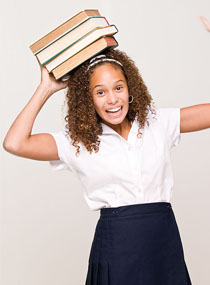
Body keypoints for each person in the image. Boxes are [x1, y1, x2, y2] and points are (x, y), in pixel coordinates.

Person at [3, 16, 210, 285]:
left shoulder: (157, 123)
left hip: (164, 241)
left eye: (118, 88)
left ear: (130, 88)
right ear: (87, 99)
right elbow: (14, 143)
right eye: (100, 92)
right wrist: (45, 88)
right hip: (117, 247)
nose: (112, 99)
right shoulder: (76, 141)